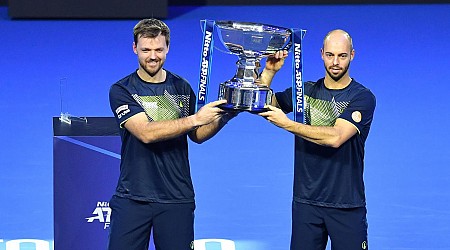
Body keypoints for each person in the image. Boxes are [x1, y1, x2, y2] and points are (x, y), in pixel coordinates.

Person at [108, 18, 235, 250]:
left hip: (177, 196)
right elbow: (145, 133)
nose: (153, 56)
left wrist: (225, 115)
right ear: (135, 48)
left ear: (168, 48)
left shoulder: (181, 87)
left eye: (159, 49)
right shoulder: (122, 90)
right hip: (133, 197)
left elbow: (197, 135)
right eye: (146, 50)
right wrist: (196, 118)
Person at [258, 29, 376, 250]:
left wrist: (287, 123)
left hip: (346, 205)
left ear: (352, 55)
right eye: (330, 55)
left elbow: (336, 137)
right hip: (306, 204)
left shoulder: (362, 97)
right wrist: (269, 72)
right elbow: (264, 106)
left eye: (342, 56)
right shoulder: (306, 91)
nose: (335, 62)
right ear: (322, 54)